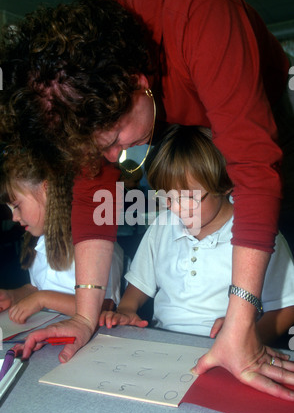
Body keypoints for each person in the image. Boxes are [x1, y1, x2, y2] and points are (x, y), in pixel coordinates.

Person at [1, 0, 294, 399]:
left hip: (262, 104)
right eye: (99, 150)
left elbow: (255, 169)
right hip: (160, 107)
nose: (113, 158)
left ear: (137, 82)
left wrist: (241, 325)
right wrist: (86, 317)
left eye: (114, 140)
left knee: (271, 222)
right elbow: (94, 191)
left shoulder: (200, 12)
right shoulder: (72, 81)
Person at [100, 125, 294, 347]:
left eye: (189, 198)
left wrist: (249, 336)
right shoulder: (163, 226)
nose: (176, 209)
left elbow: (287, 307)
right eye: (168, 198)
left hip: (230, 348)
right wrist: (126, 310)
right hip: (163, 342)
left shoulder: (259, 235)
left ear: (225, 184)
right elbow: (140, 283)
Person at [0, 144, 123, 323]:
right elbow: (37, 288)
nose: (14, 217)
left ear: (46, 189)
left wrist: (43, 299)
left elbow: (105, 307)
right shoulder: (39, 242)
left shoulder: (93, 245)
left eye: (17, 206)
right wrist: (14, 295)